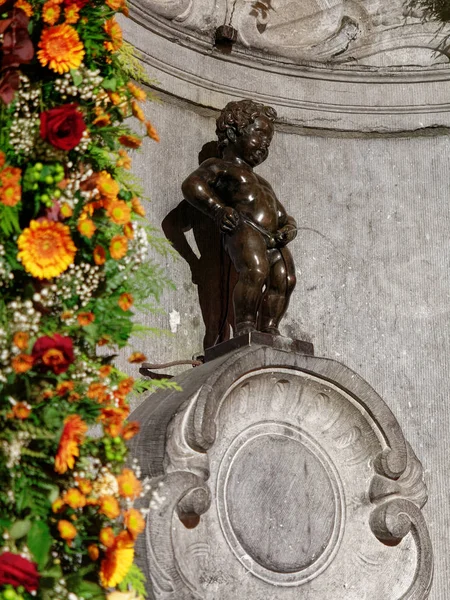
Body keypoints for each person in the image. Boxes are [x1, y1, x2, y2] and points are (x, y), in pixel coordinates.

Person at [181, 99, 297, 337]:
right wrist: (217, 209)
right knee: (255, 271)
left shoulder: (264, 183)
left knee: (285, 278)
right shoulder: (220, 167)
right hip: (245, 228)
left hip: (274, 238)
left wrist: (290, 228)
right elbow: (192, 185)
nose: (265, 144)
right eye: (260, 134)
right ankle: (245, 326)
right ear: (234, 132)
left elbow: (283, 214)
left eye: (269, 140)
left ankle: (270, 327)